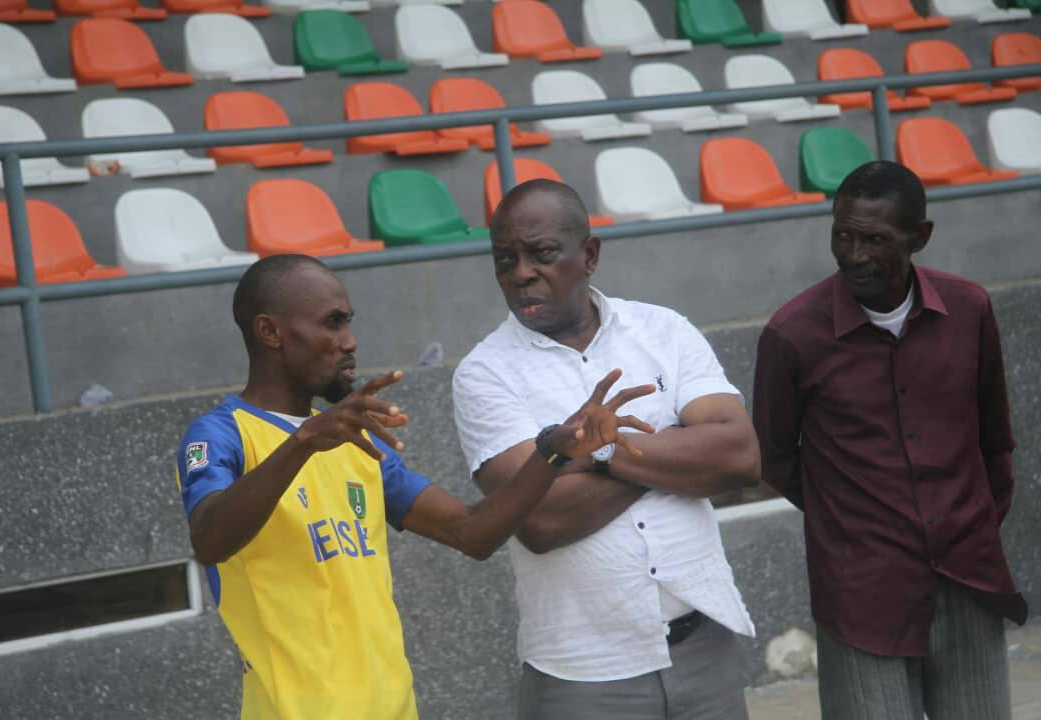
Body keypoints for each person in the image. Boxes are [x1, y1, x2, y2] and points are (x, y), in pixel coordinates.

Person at [174, 254, 657, 720]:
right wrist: (303, 441)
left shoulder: (350, 439)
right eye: (333, 323)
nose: (350, 342)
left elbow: (473, 533)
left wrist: (551, 450)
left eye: (348, 323)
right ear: (270, 332)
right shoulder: (222, 435)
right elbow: (210, 540)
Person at [452, 179, 761, 720]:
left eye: (541, 253)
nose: (521, 272)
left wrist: (595, 454)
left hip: (703, 649)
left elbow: (737, 456)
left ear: (588, 254)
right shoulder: (484, 374)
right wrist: (673, 452)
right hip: (583, 674)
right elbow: (540, 519)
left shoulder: (663, 331)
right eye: (505, 259)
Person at [752, 161, 1027, 720]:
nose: (854, 254)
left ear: (919, 237)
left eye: (875, 240)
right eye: (842, 235)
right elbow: (776, 460)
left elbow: (995, 445)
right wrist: (854, 522)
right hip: (860, 596)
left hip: (968, 579)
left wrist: (964, 525)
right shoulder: (791, 334)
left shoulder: (970, 309)